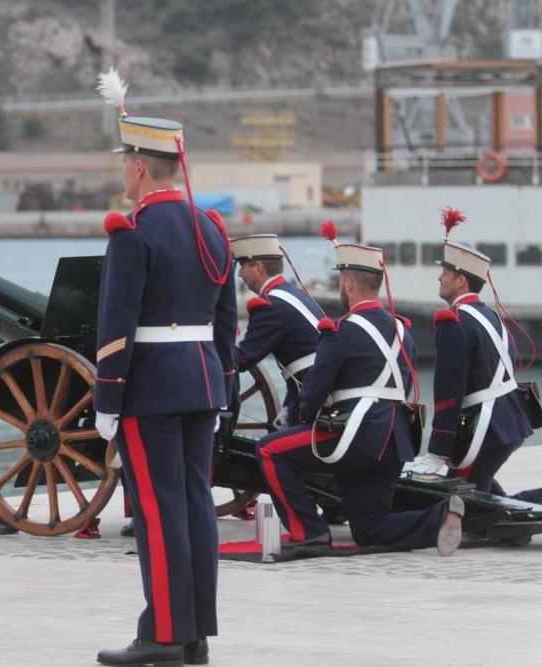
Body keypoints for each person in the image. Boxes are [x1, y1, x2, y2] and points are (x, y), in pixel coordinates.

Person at [91, 108, 237, 665]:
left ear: (138, 167)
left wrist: (107, 399)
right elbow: (227, 322)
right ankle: (194, 634)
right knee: (196, 503)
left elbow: (115, 325)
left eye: (125, 163)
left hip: (149, 387)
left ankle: (164, 636)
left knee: (158, 509)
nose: (123, 174)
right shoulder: (211, 228)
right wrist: (223, 384)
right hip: (203, 383)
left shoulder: (132, 233)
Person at [254, 235, 464, 554]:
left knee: (270, 450)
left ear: (349, 283)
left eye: (341, 280)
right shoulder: (402, 330)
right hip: (395, 442)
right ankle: (439, 518)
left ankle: (308, 531)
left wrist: (299, 422)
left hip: (356, 436)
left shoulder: (341, 331)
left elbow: (311, 398)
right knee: (368, 528)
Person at [412, 209, 538, 502]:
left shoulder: (454, 321)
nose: (439, 277)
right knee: (482, 495)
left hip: (489, 430)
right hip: (506, 423)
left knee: (454, 505)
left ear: (461, 280)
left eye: (445, 272)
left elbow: (447, 392)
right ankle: (510, 529)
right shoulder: (487, 315)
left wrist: (437, 451)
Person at [232, 234, 324, 427]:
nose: (240, 274)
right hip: (317, 389)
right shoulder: (293, 293)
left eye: (242, 266)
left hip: (315, 400)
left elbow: (241, 360)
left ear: (258, 267)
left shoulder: (270, 307)